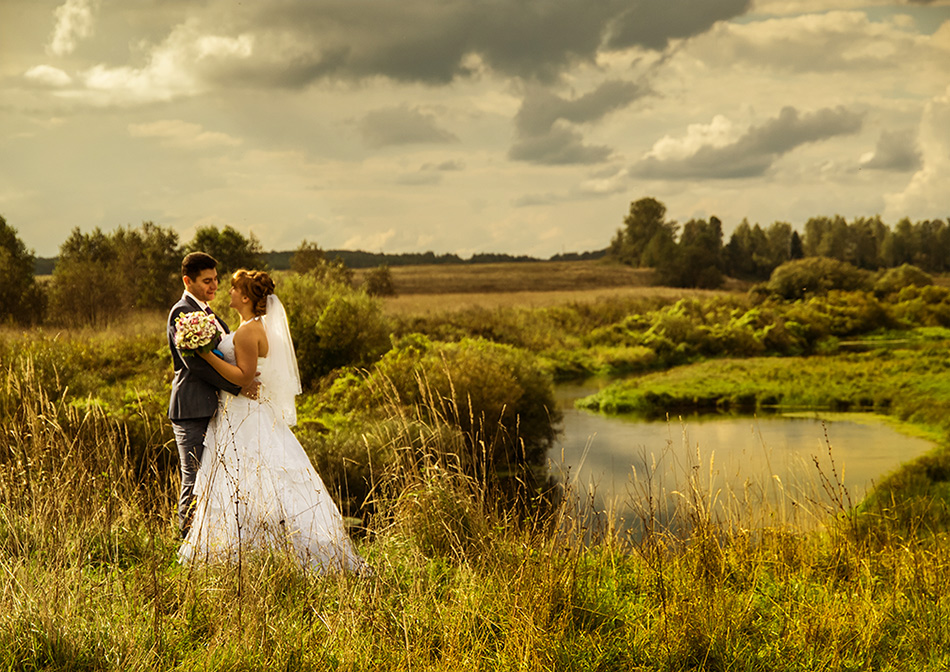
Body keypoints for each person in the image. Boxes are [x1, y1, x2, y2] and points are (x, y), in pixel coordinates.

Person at [177, 269, 369, 574]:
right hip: (243, 412)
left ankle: (252, 553)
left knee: (248, 478)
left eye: (234, 288)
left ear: (245, 297)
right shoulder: (251, 327)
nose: (228, 291)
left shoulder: (247, 332)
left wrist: (205, 355)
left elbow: (243, 378)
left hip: (244, 414)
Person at [167, 252, 255, 539]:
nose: (214, 285)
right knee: (194, 479)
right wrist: (237, 386)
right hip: (191, 408)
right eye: (207, 281)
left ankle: (210, 542)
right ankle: (185, 545)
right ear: (187, 281)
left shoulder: (211, 315)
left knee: (215, 480)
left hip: (217, 409)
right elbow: (194, 363)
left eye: (216, 279)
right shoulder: (181, 312)